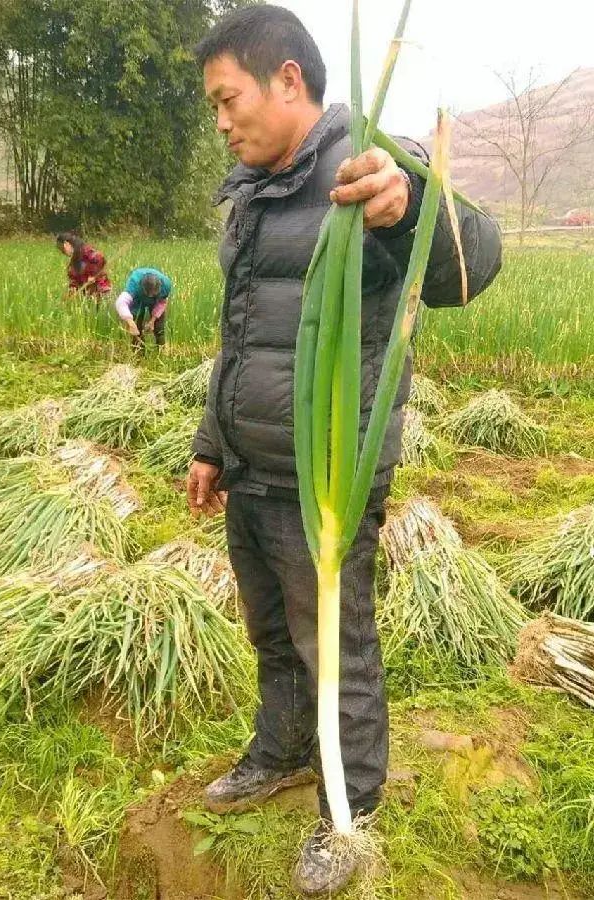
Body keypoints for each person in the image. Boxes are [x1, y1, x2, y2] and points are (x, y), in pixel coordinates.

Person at [187, 5, 502, 895]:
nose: (221, 121)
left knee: (334, 645)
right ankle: (281, 753)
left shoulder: (368, 161)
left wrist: (408, 209)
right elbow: (244, 335)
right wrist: (213, 441)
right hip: (251, 466)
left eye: (228, 98)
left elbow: (470, 262)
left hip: (326, 471)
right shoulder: (251, 193)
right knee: (272, 634)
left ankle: (348, 811)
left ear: (289, 80)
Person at [114, 267, 171, 351]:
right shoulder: (134, 283)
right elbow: (121, 302)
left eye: (153, 294)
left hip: (156, 301)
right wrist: (130, 322)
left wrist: (152, 320)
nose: (150, 296)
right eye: (149, 294)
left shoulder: (166, 285)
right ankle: (139, 353)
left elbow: (162, 303)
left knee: (159, 328)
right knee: (136, 327)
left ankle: (161, 351)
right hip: (138, 300)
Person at [56, 232, 111, 301]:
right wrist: (70, 295)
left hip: (101, 291)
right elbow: (73, 282)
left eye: (62, 249)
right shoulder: (72, 265)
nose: (63, 252)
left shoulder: (85, 251)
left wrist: (92, 274)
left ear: (66, 244)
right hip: (87, 296)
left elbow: (99, 257)